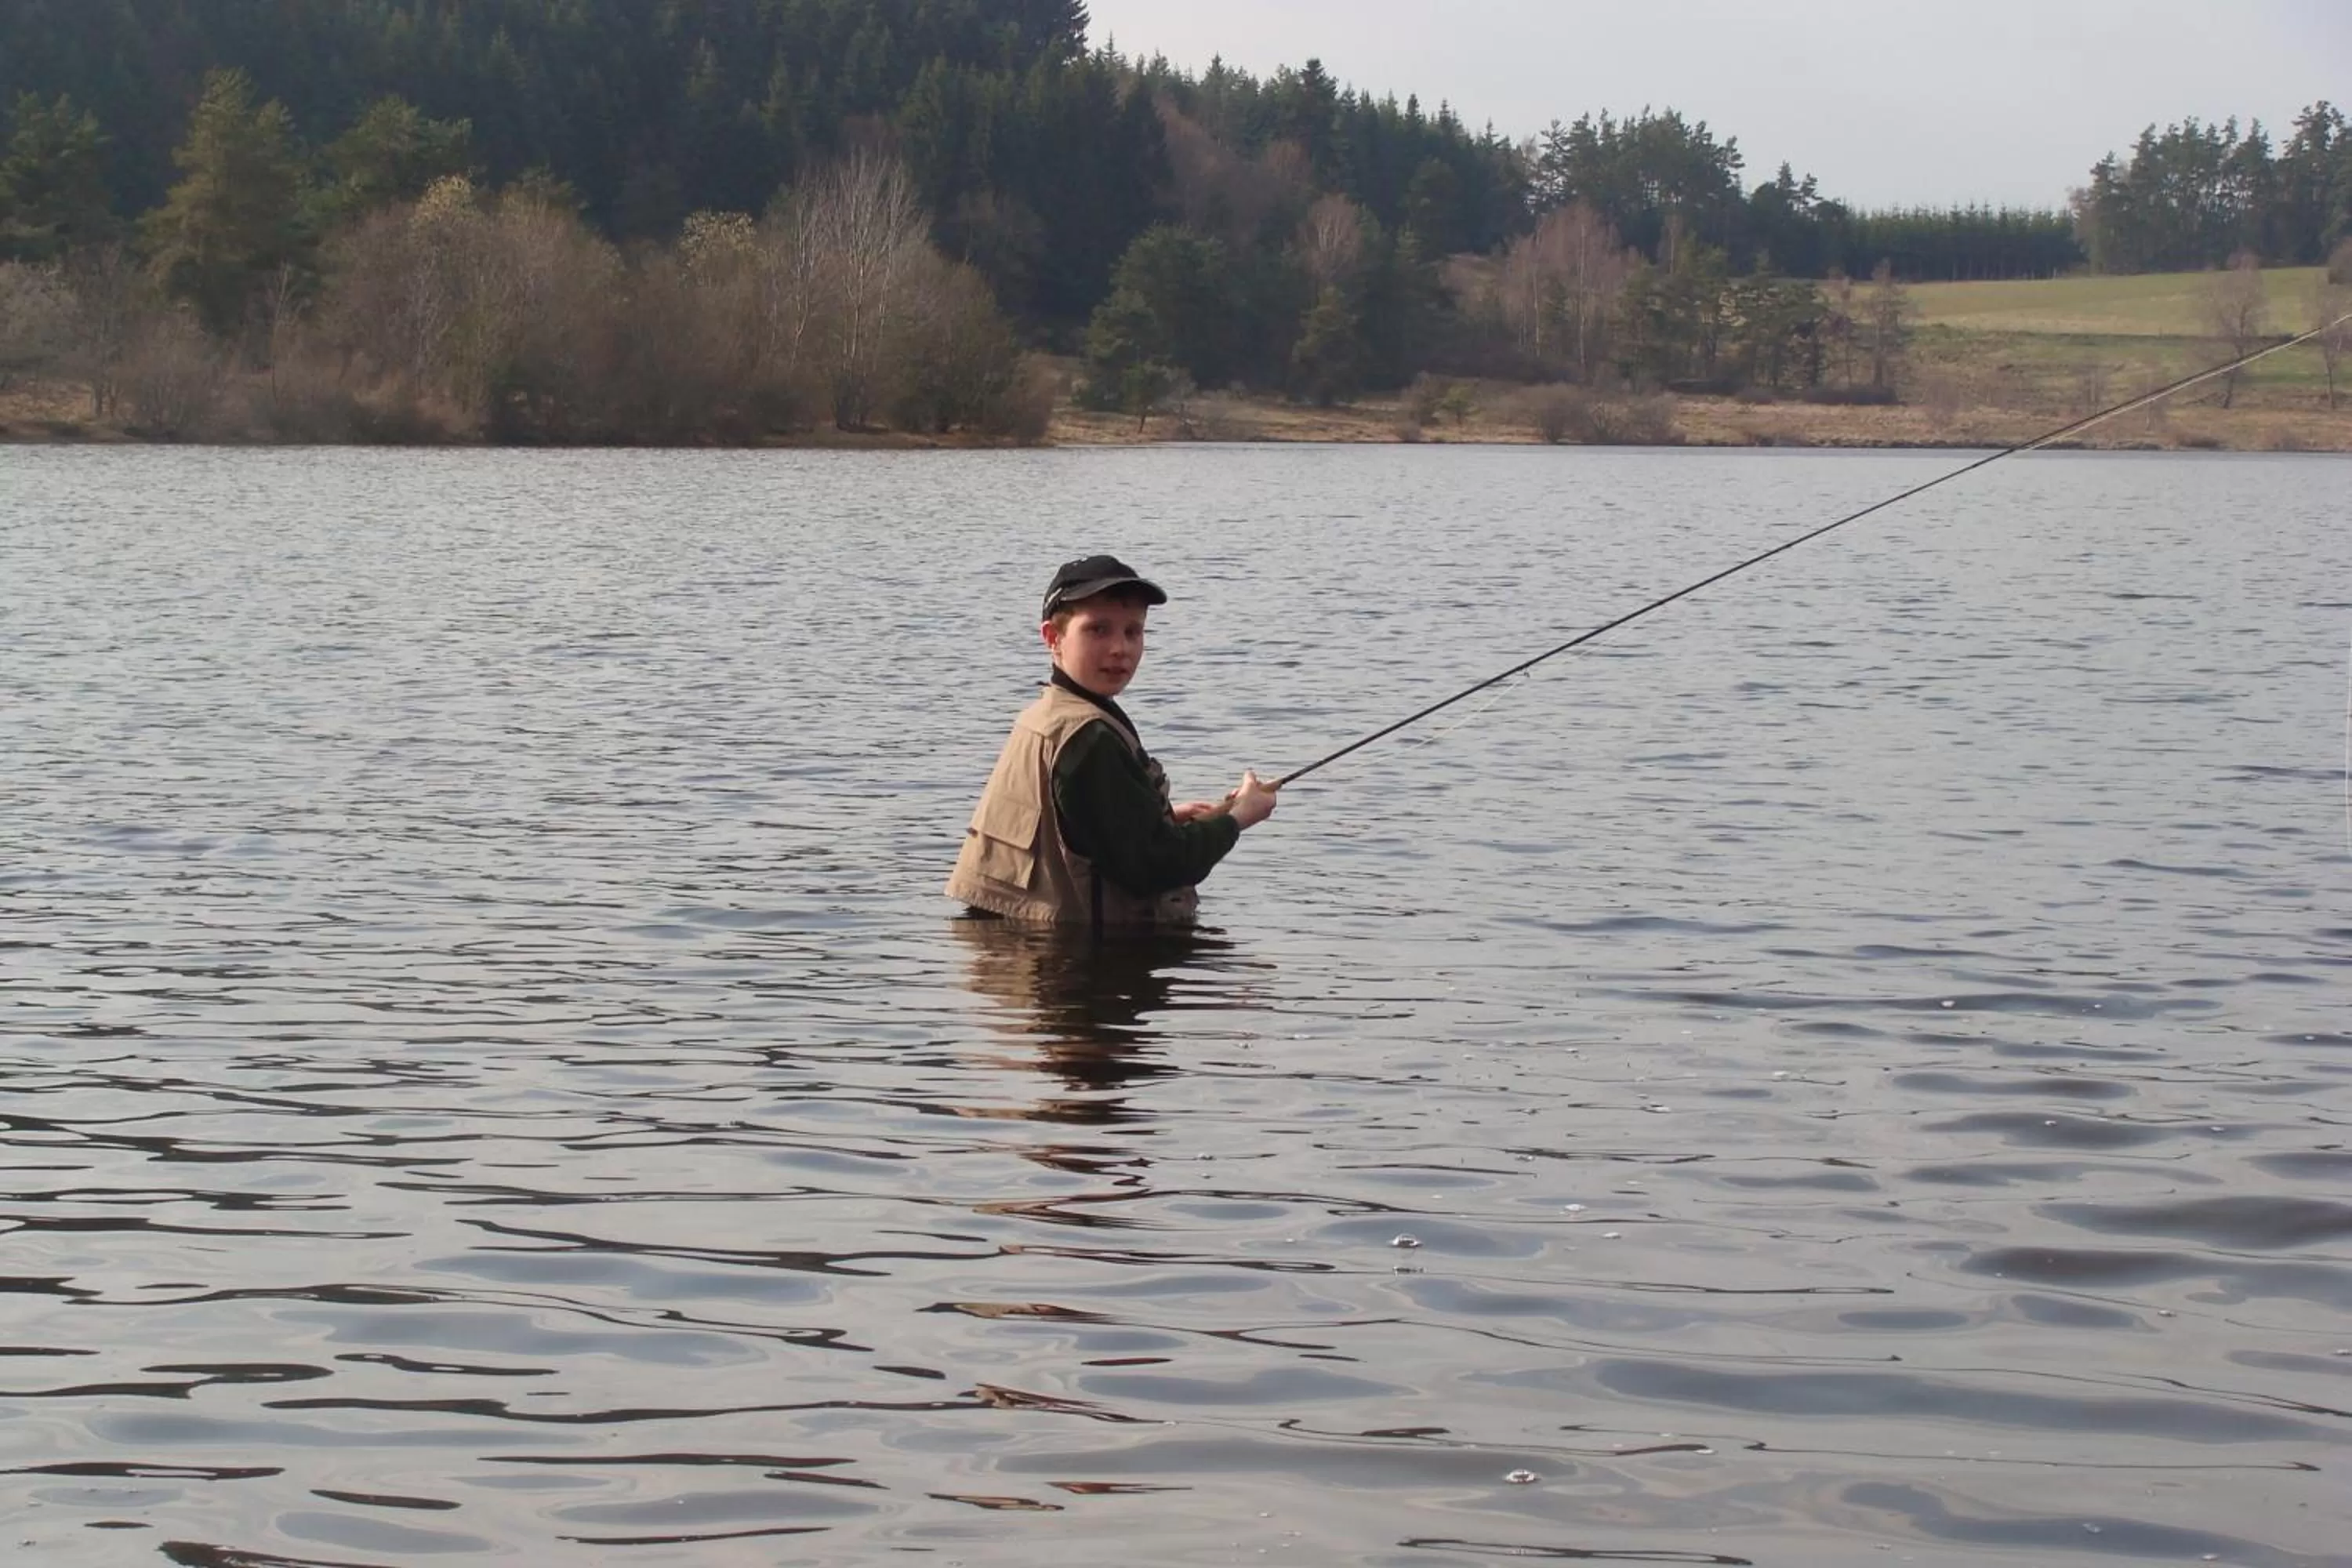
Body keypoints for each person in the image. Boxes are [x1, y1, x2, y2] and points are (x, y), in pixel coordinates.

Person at [946, 554, 1279, 927]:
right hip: (1069, 967)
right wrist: (1237, 819)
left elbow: (1087, 827)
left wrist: (1153, 817)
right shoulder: (1087, 737)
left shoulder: (1045, 715)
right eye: (1098, 630)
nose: (1119, 648)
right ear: (1053, 638)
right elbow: (1157, 865)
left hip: (1013, 959)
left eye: (1132, 632)